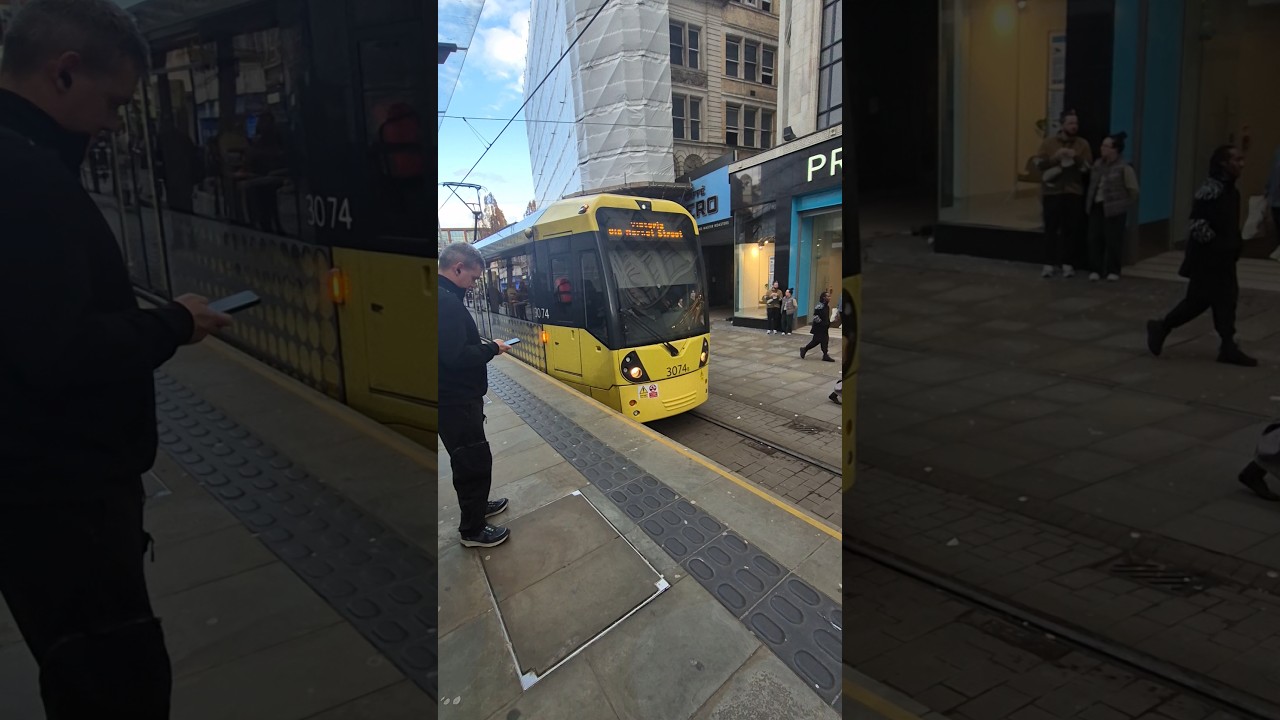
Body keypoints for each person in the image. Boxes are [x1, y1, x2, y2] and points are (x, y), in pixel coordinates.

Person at [0, 2, 235, 717]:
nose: (112, 125)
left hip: (35, 490)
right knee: (115, 680)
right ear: (64, 73)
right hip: (63, 497)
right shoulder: (26, 178)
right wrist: (174, 323)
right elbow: (58, 349)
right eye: (113, 103)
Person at [1147, 145, 1258, 367]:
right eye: (1237, 160)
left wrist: (1234, 246)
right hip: (1208, 260)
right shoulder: (1210, 191)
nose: (1242, 164)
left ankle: (1228, 345)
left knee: (1226, 300)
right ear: (1224, 163)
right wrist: (1219, 246)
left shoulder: (1231, 192)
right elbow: (1198, 224)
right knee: (1198, 301)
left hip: (1224, 258)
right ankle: (1162, 326)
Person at [438, 242, 513, 548]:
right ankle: (473, 530)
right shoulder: (446, 303)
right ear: (458, 268)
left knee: (471, 459)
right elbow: (456, 356)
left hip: (453, 399)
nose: (472, 285)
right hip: (456, 401)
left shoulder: (442, 297)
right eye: (472, 278)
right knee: (473, 462)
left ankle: (478, 507)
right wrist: (492, 348)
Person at [1035, 110, 1093, 278]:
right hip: (1052, 191)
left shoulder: (1082, 144)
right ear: (1062, 125)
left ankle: (1067, 263)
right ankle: (1048, 263)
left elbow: (1088, 168)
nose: (1074, 126)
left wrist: (1076, 158)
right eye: (1070, 123)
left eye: (1076, 123)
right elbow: (1039, 164)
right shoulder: (1049, 143)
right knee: (1051, 229)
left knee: (1071, 229)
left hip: (1073, 191)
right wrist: (1055, 157)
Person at [1085, 131, 1139, 282]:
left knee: (1113, 240)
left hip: (1115, 209)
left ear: (1115, 149)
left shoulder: (1124, 167)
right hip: (1097, 205)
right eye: (1102, 145)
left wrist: (1124, 204)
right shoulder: (1097, 164)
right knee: (1094, 238)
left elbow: (1133, 189)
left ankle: (1113, 269)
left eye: (1106, 146)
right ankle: (1095, 268)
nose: (1102, 148)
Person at [800, 289, 836, 362]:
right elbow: (815, 316)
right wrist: (822, 323)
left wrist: (828, 323)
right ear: (824, 297)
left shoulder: (827, 306)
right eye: (828, 296)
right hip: (819, 328)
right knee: (816, 341)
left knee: (825, 340)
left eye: (829, 296)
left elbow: (826, 316)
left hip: (824, 328)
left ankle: (825, 355)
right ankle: (804, 349)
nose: (829, 298)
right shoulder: (819, 306)